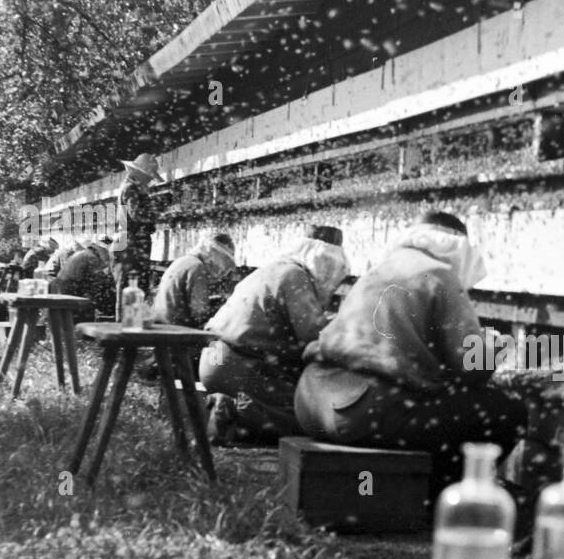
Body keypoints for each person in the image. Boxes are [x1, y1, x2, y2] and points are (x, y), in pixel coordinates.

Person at [294, 211, 526, 492]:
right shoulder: (440, 274)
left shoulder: (380, 271)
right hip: (358, 410)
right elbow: (472, 366)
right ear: (458, 249)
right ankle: (441, 492)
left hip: (311, 403)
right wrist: (502, 348)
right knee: (506, 410)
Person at [200, 232, 349, 445]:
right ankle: (233, 409)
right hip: (235, 365)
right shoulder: (295, 276)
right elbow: (313, 337)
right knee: (312, 419)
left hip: (215, 357)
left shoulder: (272, 269)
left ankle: (236, 415)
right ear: (324, 262)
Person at [111, 152, 164, 315]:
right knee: (129, 287)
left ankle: (130, 328)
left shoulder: (131, 188)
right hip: (130, 244)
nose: (149, 181)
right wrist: (157, 210)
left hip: (131, 243)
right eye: (148, 177)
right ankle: (124, 333)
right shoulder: (130, 189)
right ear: (140, 174)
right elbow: (137, 215)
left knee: (133, 287)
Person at [152, 233, 238, 328]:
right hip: (178, 331)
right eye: (224, 260)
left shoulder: (183, 261)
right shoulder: (197, 267)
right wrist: (223, 308)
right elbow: (199, 315)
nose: (223, 269)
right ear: (213, 253)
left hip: (163, 326)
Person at [56, 237, 114, 320]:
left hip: (64, 291)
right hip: (71, 295)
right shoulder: (91, 258)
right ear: (103, 251)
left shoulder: (84, 254)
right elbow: (99, 283)